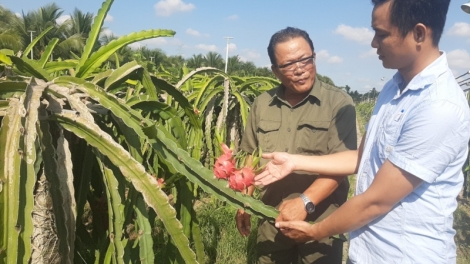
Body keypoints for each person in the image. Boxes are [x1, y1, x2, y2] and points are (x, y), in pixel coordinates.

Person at [255, 0, 470, 263]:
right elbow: (361, 157)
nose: (373, 43)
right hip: (369, 251)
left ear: (418, 34)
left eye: (381, 34)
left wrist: (315, 231)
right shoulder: (394, 88)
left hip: (405, 255)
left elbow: (375, 202)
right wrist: (294, 161)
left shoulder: (438, 107)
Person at [235, 27, 357, 263]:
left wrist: (305, 202)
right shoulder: (262, 104)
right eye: (289, 64)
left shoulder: (339, 103)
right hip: (270, 218)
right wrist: (245, 202)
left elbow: (343, 163)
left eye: (305, 60)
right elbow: (249, 156)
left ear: (314, 57)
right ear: (275, 71)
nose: (300, 69)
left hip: (320, 221)